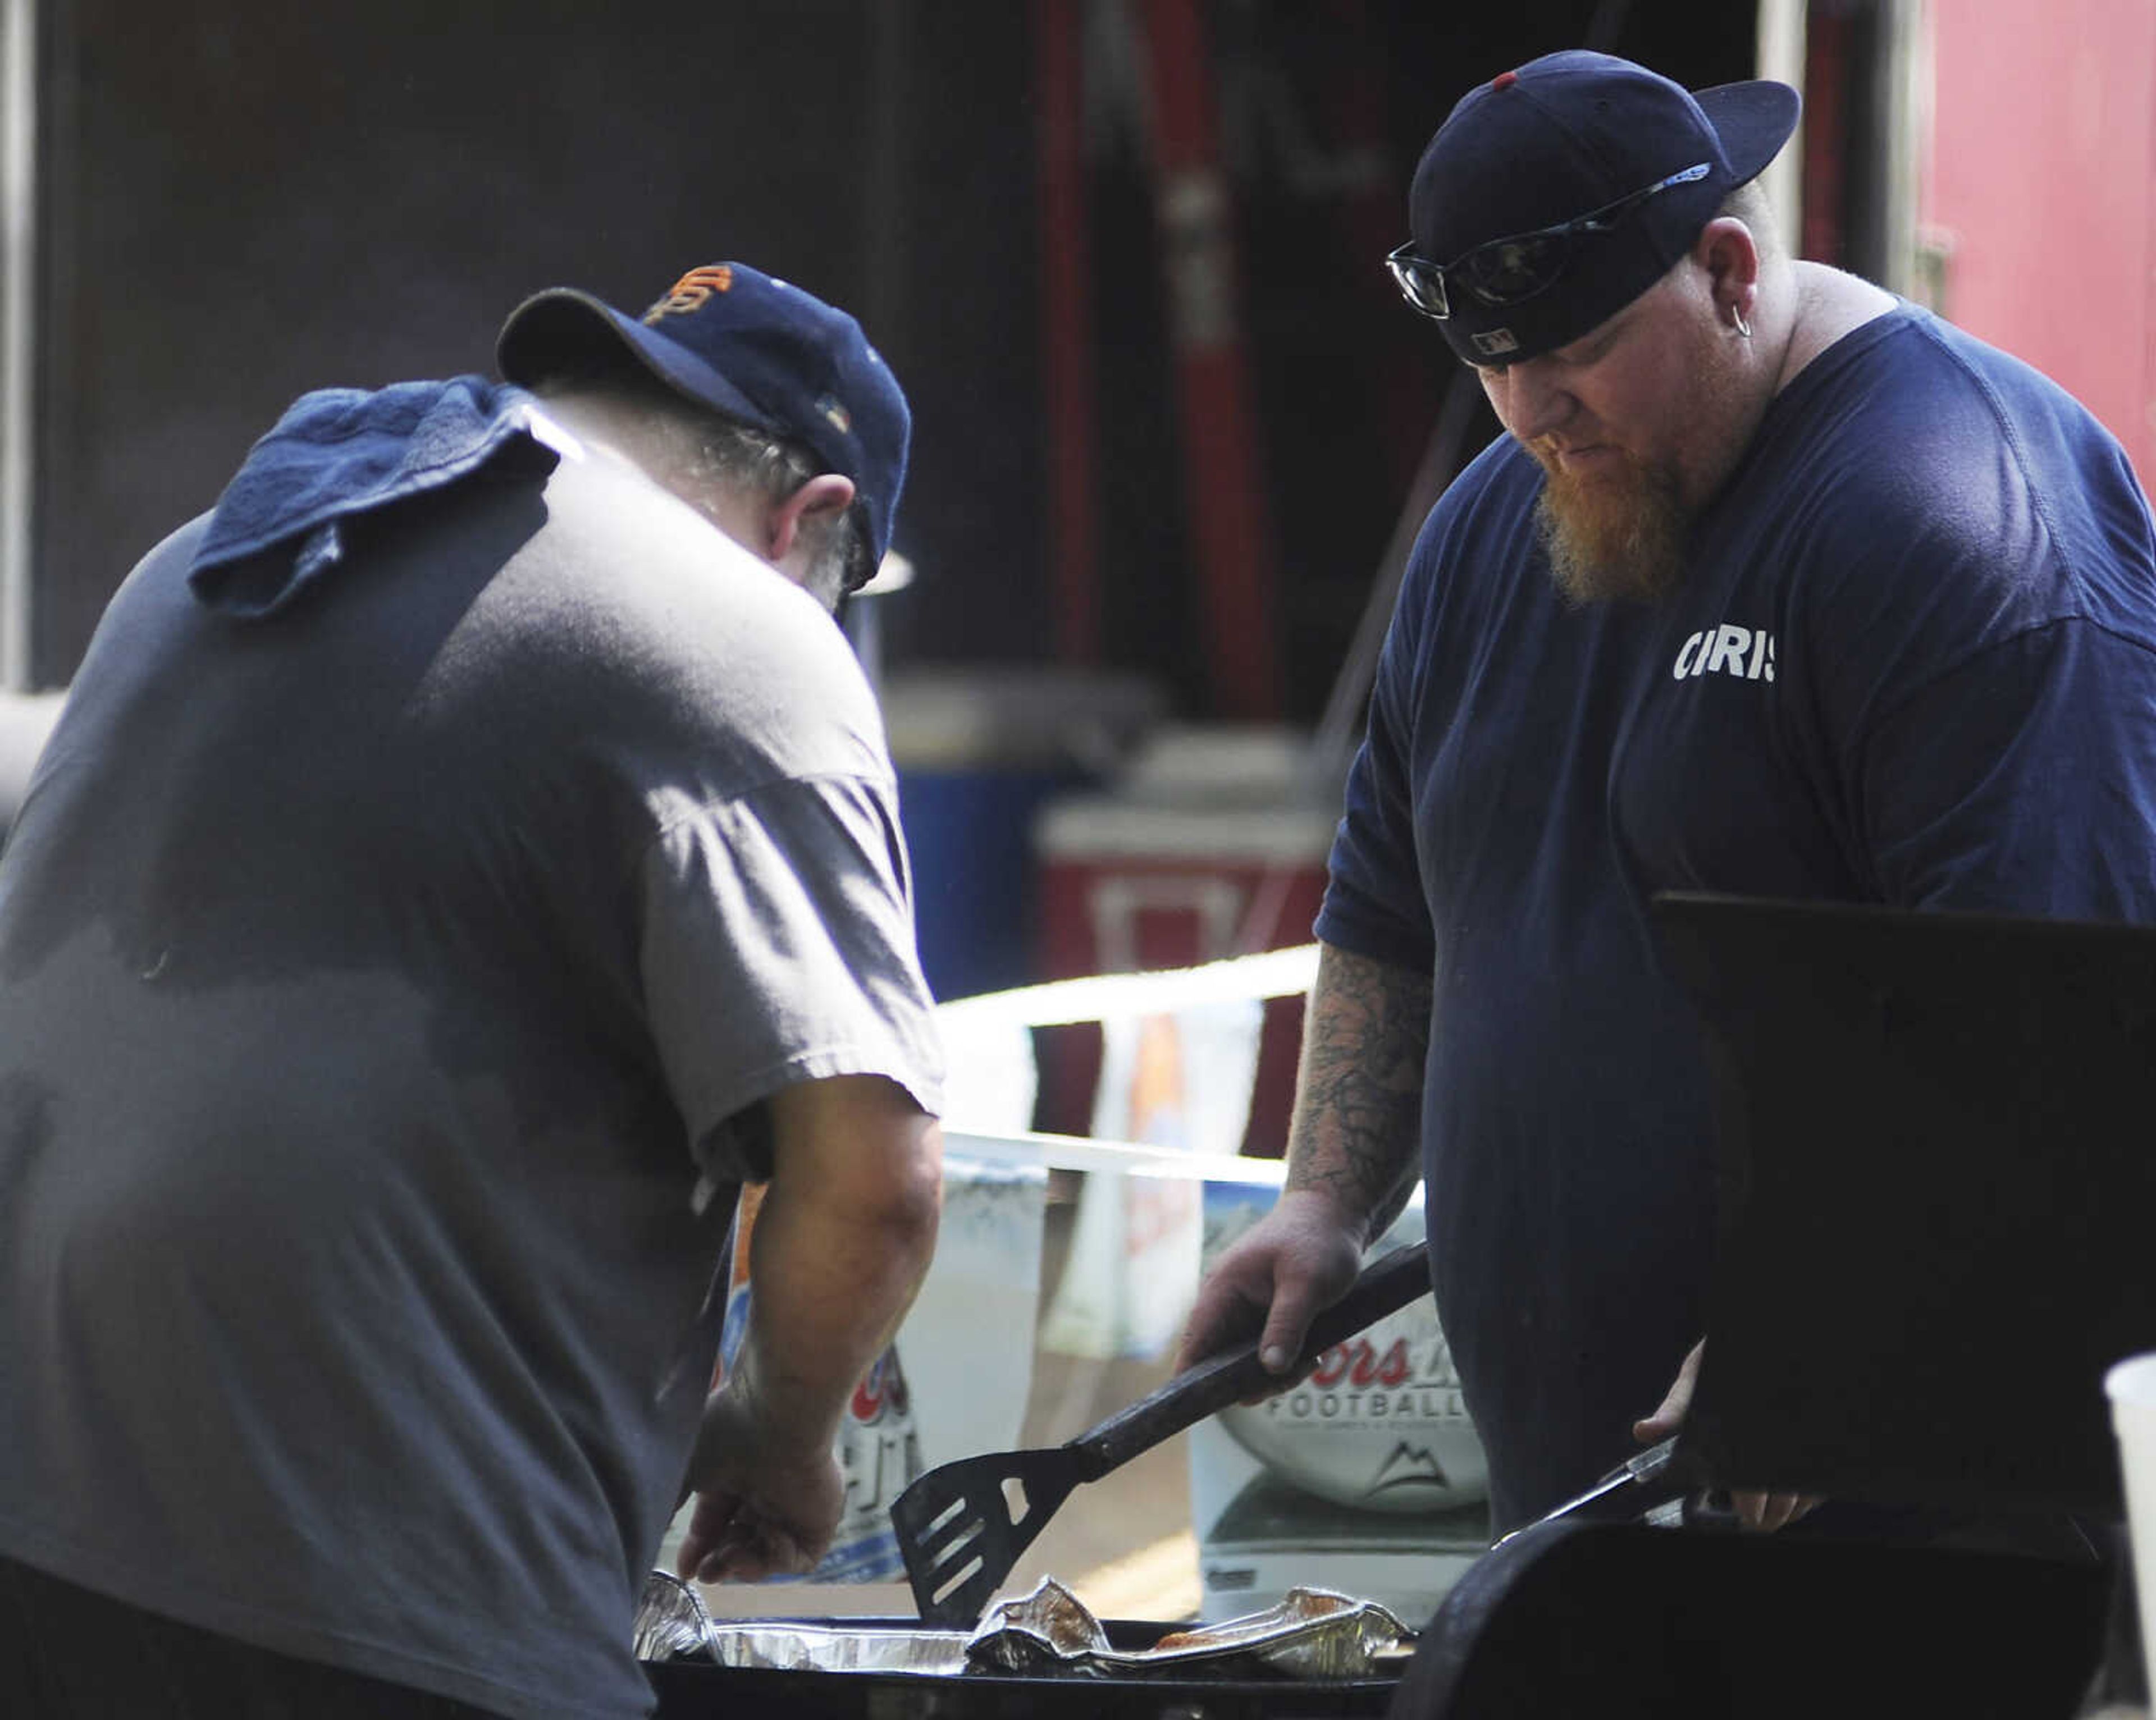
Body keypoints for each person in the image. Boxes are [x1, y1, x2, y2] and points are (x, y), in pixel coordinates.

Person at [1176, 50, 2156, 1544]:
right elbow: (1393, 903)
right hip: (1578, 1519)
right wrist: (1325, 1198)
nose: (1526, 409)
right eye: (1488, 360)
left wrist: (1837, 1326)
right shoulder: (1497, 524)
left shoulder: (1955, 519)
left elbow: (2048, 1025)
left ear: (1728, 269)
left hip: (1904, 1528)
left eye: (1573, 347)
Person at [0, 260, 945, 1718]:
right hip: (366, 1588)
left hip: (36, 1520)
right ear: (812, 519)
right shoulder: (744, 637)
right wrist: (777, 1424)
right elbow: (872, 1180)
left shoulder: (214, 550)